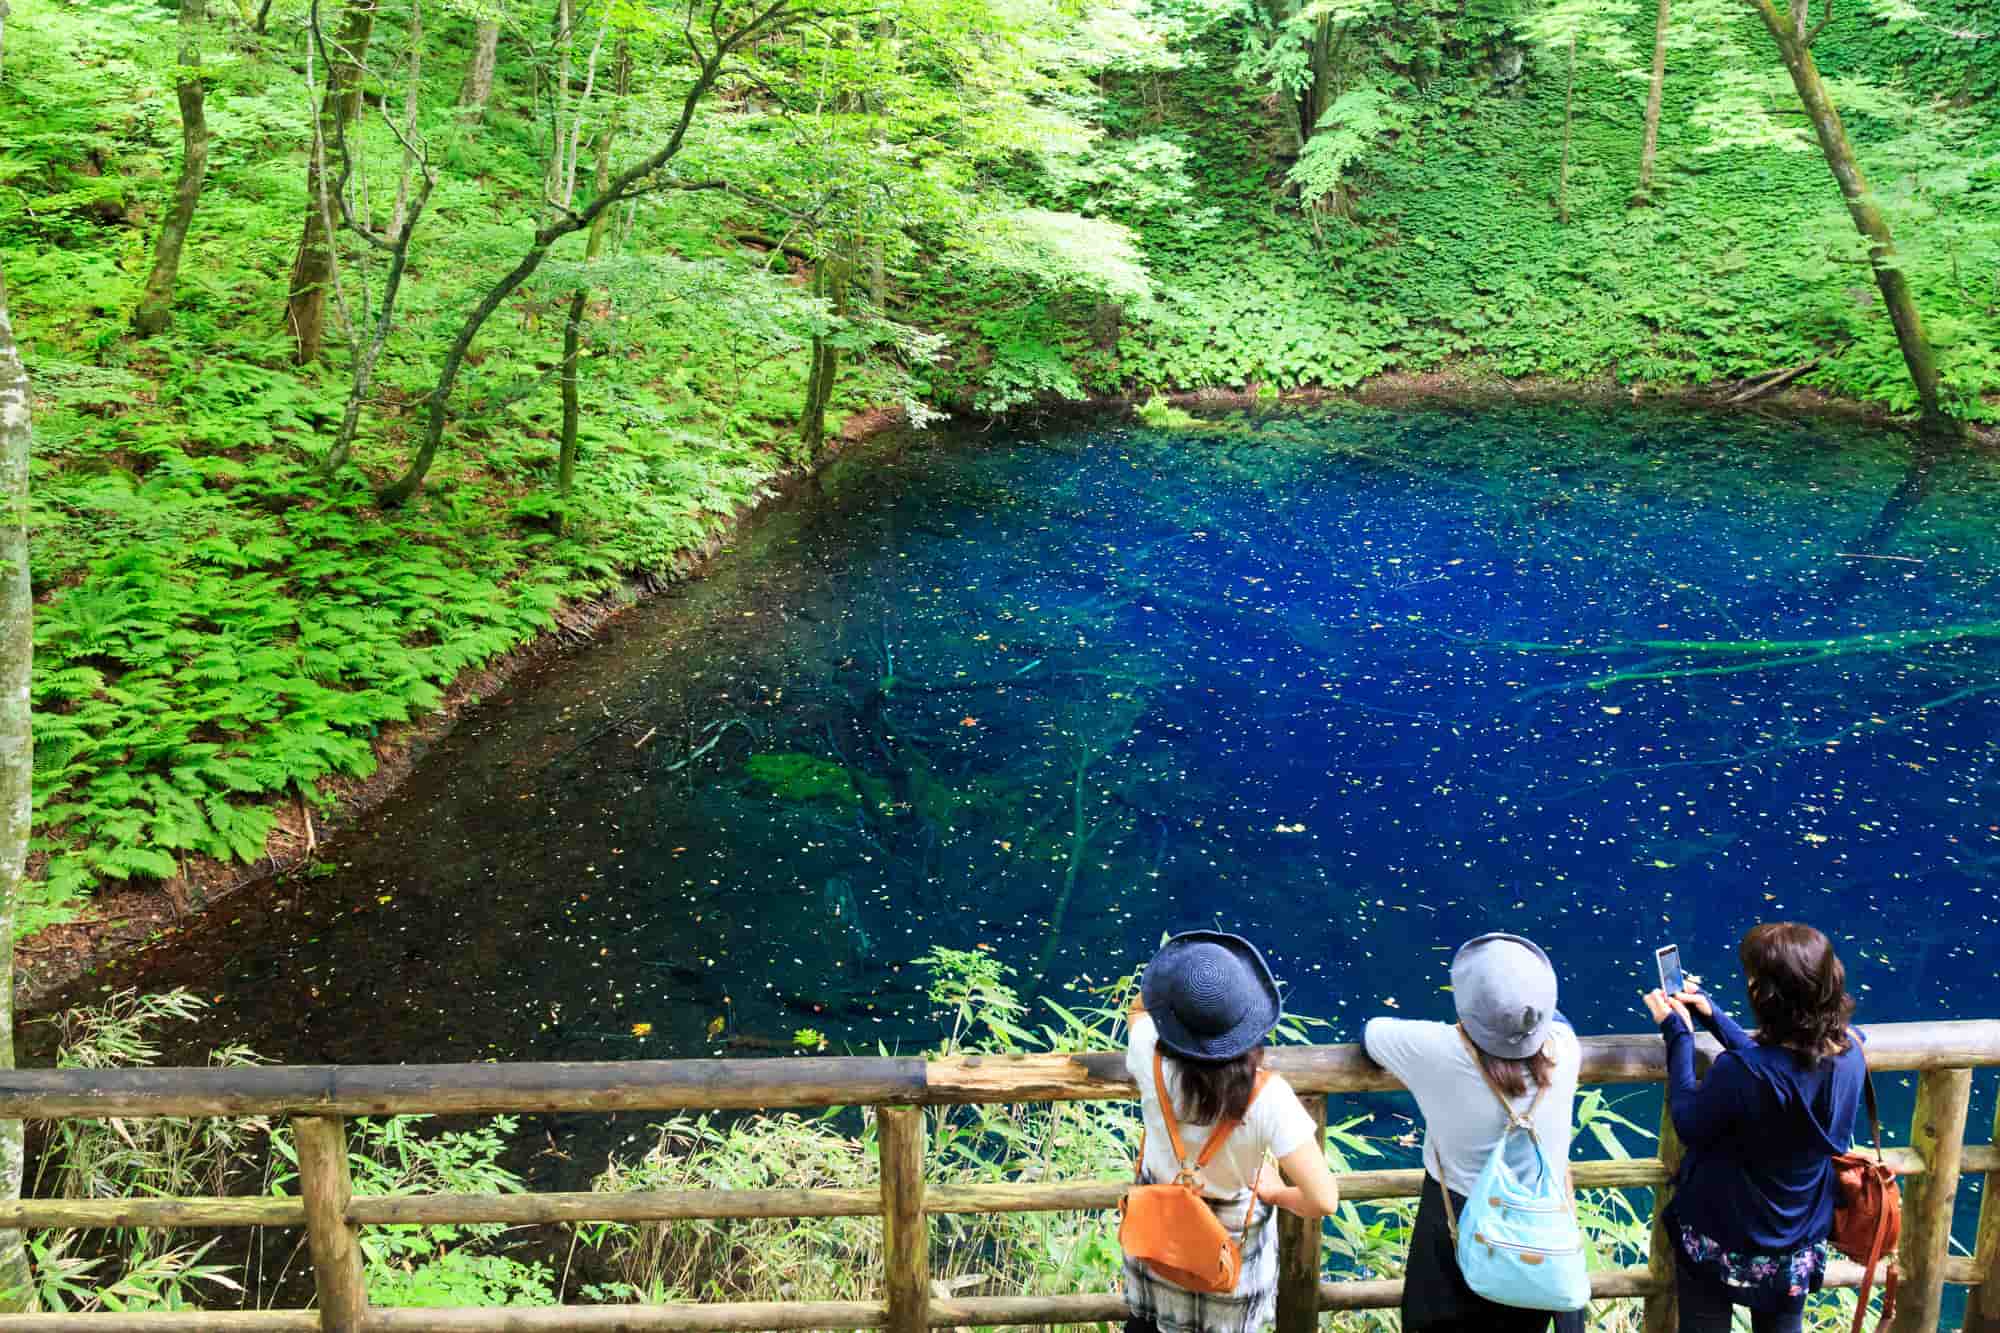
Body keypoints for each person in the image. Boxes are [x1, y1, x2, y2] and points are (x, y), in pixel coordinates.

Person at [1643, 922, 1866, 1333]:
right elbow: (1782, 1070)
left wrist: (1679, 1036)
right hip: (1796, 1240)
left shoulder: (1739, 1073)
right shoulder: (1850, 1052)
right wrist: (1714, 1017)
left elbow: (1689, 1121)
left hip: (1722, 1236)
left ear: (1765, 995)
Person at [1362, 932, 1585, 1333]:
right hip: (1533, 1239)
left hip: (1451, 1224)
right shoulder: (1566, 1049)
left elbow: (1373, 1032)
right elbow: (1558, 1023)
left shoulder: (1438, 1051)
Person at [1123, 930, 1342, 1333]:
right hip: (1230, 1252)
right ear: (1247, 1022)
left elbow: (1137, 1011)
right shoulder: (1269, 1097)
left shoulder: (1147, 1054)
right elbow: (1324, 1199)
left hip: (1159, 1233)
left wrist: (1164, 979)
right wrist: (1277, 1192)